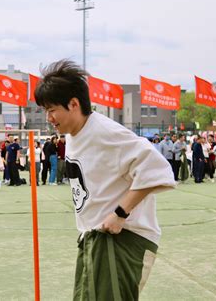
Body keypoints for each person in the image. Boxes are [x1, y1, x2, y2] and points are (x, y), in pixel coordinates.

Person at [34, 60, 175, 300]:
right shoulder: (73, 135)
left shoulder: (106, 133)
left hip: (121, 238)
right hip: (94, 237)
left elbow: (157, 169)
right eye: (45, 110)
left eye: (51, 109)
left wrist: (120, 213)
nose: (48, 117)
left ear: (74, 104)